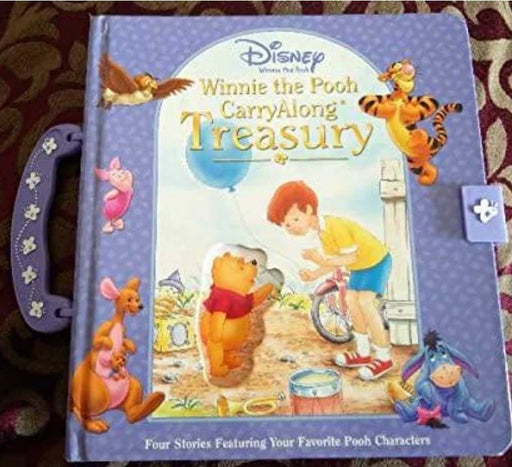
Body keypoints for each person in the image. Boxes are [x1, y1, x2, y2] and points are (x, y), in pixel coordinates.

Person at [267, 180, 393, 380]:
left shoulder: (335, 227)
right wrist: (314, 274)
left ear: (309, 210)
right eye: (285, 225)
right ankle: (363, 352)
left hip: (375, 260)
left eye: (294, 219)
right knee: (351, 301)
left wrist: (319, 259)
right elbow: (335, 262)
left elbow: (350, 257)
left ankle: (384, 357)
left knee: (365, 302)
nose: (290, 228)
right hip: (359, 266)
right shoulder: (321, 234)